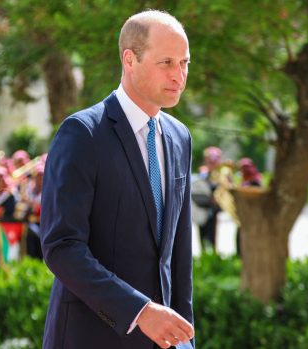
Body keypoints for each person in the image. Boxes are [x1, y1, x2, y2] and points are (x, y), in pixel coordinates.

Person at [40, 10, 194, 349]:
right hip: (91, 337)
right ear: (130, 59)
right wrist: (139, 311)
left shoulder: (180, 137)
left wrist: (184, 341)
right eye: (166, 62)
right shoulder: (82, 133)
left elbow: (178, 251)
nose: (178, 75)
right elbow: (61, 246)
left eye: (184, 63)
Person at [197, 146, 223, 252]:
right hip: (203, 207)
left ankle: (213, 254)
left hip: (214, 208)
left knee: (212, 233)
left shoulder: (220, 174)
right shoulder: (203, 173)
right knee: (202, 233)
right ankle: (204, 254)